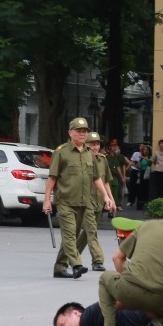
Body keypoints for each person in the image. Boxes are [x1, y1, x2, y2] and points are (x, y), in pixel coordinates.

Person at [93, 199, 163, 326]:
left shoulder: (146, 225)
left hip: (128, 289)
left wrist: (129, 282)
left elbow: (117, 258)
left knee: (104, 278)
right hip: (159, 297)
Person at [44, 117, 116, 279]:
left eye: (85, 131)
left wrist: (106, 197)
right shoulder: (61, 152)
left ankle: (59, 267)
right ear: (71, 133)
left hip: (84, 202)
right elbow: (52, 178)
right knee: (69, 234)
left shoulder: (90, 154)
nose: (83, 134)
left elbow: (97, 178)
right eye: (79, 131)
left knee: (72, 236)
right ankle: (77, 265)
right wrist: (47, 199)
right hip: (66, 201)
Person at [80, 133, 111, 271]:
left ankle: (71, 255)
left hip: (99, 201)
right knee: (92, 231)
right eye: (92, 144)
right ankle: (97, 260)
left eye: (97, 144)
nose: (95, 147)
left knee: (87, 232)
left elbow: (105, 182)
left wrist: (110, 199)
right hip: (86, 201)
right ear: (85, 145)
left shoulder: (102, 159)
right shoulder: (80, 159)